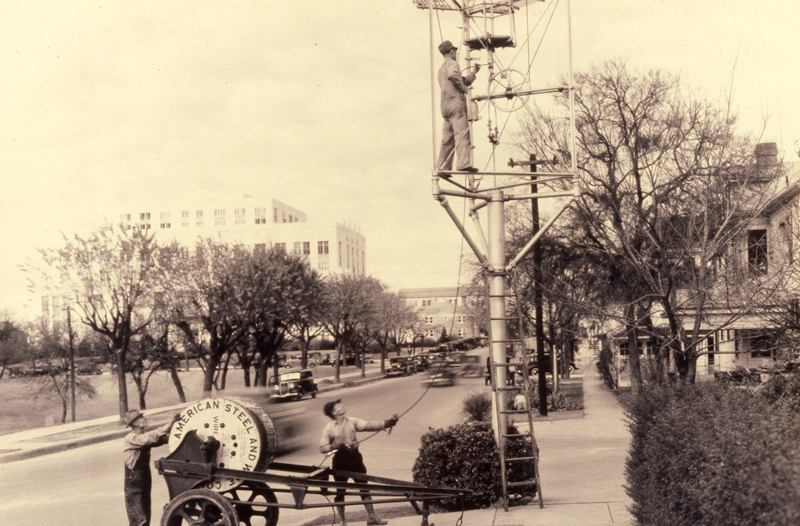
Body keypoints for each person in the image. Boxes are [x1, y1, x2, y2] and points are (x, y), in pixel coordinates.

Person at [319, 399, 399, 526]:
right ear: (333, 412)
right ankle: (342, 521)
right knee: (340, 491)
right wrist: (335, 446)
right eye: (338, 405)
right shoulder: (329, 428)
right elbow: (322, 447)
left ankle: (372, 518)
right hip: (340, 461)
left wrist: (388, 423)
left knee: (364, 488)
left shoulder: (352, 421)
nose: (342, 405)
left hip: (355, 459)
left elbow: (369, 425)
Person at [123, 409, 181, 526]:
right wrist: (170, 424)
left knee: (145, 509)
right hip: (134, 480)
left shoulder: (141, 436)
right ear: (135, 423)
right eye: (142, 418)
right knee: (139, 516)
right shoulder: (131, 438)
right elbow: (152, 437)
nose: (145, 419)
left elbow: (160, 440)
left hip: (142, 478)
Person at [437, 40, 480, 174]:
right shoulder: (452, 63)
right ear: (451, 51)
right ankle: (463, 163)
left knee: (448, 139)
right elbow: (454, 77)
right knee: (462, 133)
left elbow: (461, 79)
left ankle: (443, 167)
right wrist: (463, 89)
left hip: (445, 106)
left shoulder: (441, 69)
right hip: (456, 104)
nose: (456, 52)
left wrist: (474, 72)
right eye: (454, 51)